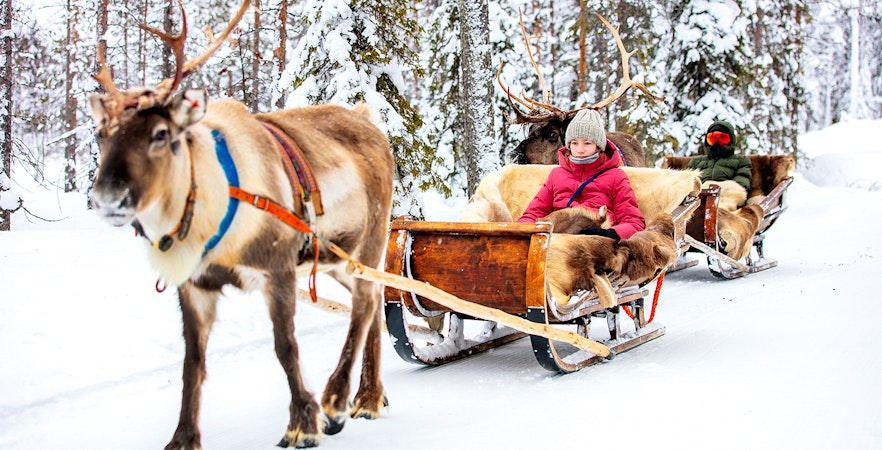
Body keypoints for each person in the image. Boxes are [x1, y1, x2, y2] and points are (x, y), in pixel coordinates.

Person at [516, 109, 645, 240]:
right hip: (558, 241)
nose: (580, 150)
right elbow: (533, 214)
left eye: (587, 143)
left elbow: (634, 223)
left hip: (597, 245)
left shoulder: (616, 177)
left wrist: (609, 234)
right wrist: (518, 234)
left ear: (598, 146)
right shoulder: (556, 175)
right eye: (575, 143)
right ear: (568, 145)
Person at [687, 120, 753, 209]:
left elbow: (741, 185)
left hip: (727, 201)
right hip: (699, 201)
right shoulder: (696, 162)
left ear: (731, 140)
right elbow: (689, 184)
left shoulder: (741, 160)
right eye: (712, 139)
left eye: (722, 138)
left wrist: (712, 188)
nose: (717, 143)